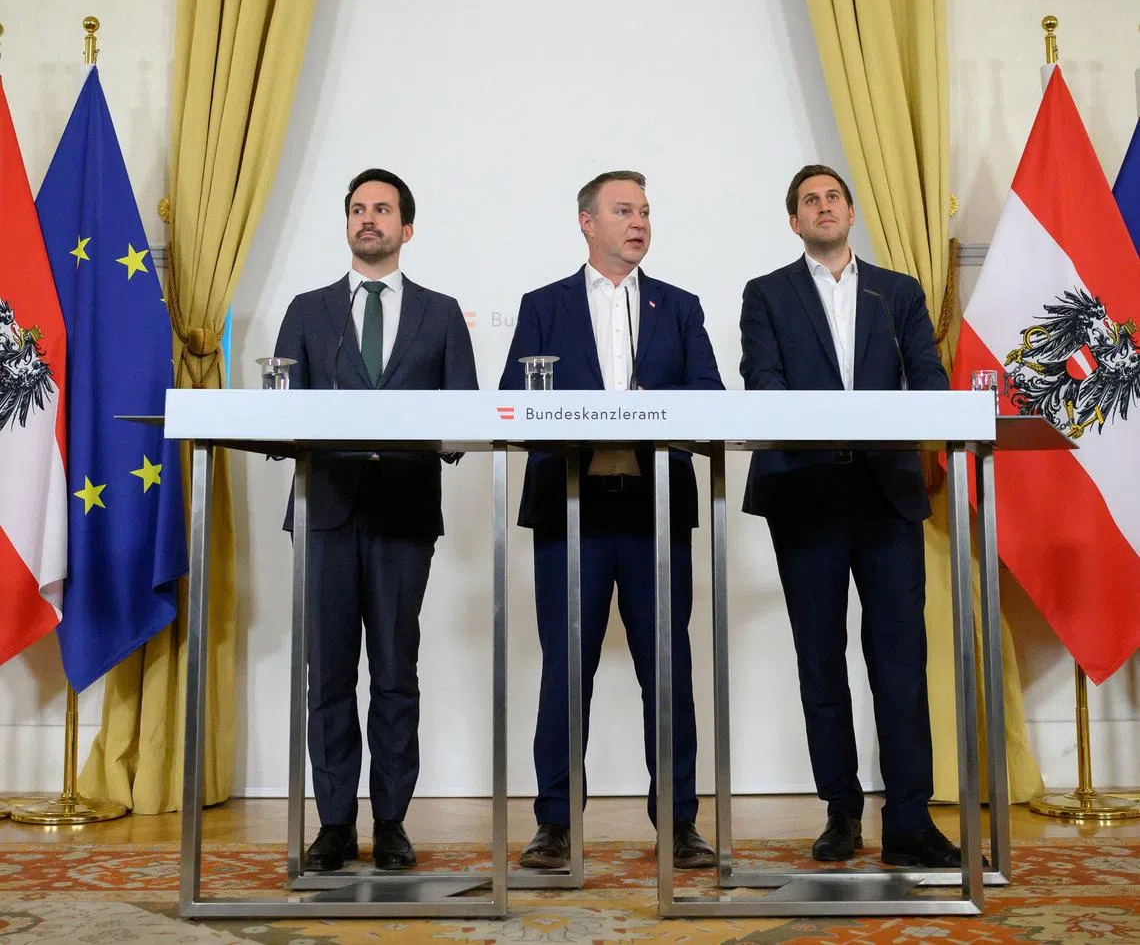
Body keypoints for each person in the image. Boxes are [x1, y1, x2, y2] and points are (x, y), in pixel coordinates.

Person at [499, 170, 722, 870]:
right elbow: (513, 400)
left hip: (656, 511)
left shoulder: (678, 307)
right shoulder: (544, 305)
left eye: (645, 211)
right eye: (624, 210)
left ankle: (679, 823)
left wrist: (658, 407)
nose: (639, 222)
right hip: (572, 510)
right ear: (587, 223)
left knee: (669, 671)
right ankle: (556, 823)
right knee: (566, 671)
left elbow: (711, 396)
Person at [739, 164, 960, 868]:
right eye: (810, 200)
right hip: (805, 495)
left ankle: (910, 819)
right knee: (821, 658)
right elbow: (763, 383)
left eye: (833, 196)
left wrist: (913, 420)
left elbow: (928, 378)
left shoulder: (898, 292)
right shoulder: (766, 294)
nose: (824, 206)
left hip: (885, 494)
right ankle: (841, 811)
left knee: (901, 660)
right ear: (795, 222)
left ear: (851, 213)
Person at [274, 168, 478, 872]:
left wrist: (419, 429)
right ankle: (334, 824)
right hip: (325, 510)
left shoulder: (441, 313)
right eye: (358, 209)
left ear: (406, 228)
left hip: (403, 513)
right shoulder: (308, 311)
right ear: (347, 224)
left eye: (383, 209)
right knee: (328, 674)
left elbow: (464, 417)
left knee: (394, 672)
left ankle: (391, 820)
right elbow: (280, 410)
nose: (369, 219)